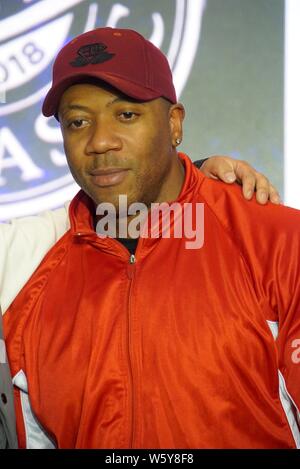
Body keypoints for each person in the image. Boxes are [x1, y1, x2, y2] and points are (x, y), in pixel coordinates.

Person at [3, 27, 299, 449]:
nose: (100, 142)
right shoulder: (26, 267)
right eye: (78, 122)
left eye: (126, 115)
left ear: (174, 123)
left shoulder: (278, 241)